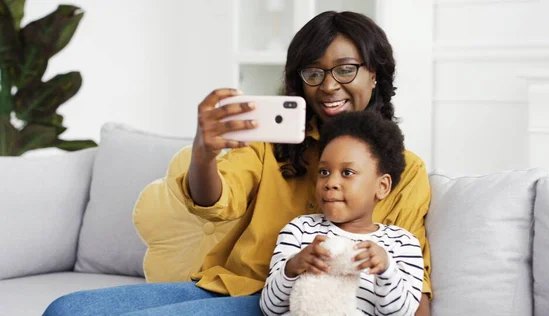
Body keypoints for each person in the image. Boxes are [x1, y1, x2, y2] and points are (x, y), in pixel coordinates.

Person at [43, 11, 432, 316]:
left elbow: (413, 284)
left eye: (345, 69)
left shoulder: (402, 170)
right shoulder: (271, 143)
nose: (328, 86)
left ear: (375, 73)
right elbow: (216, 201)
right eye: (314, 72)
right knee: (63, 309)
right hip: (230, 286)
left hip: (297, 305)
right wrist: (204, 151)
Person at [260, 111, 424, 316]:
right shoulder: (299, 229)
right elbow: (269, 308)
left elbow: (401, 313)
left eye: (347, 173)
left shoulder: (402, 243)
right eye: (324, 172)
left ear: (382, 186)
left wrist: (386, 270)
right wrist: (292, 266)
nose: (330, 183)